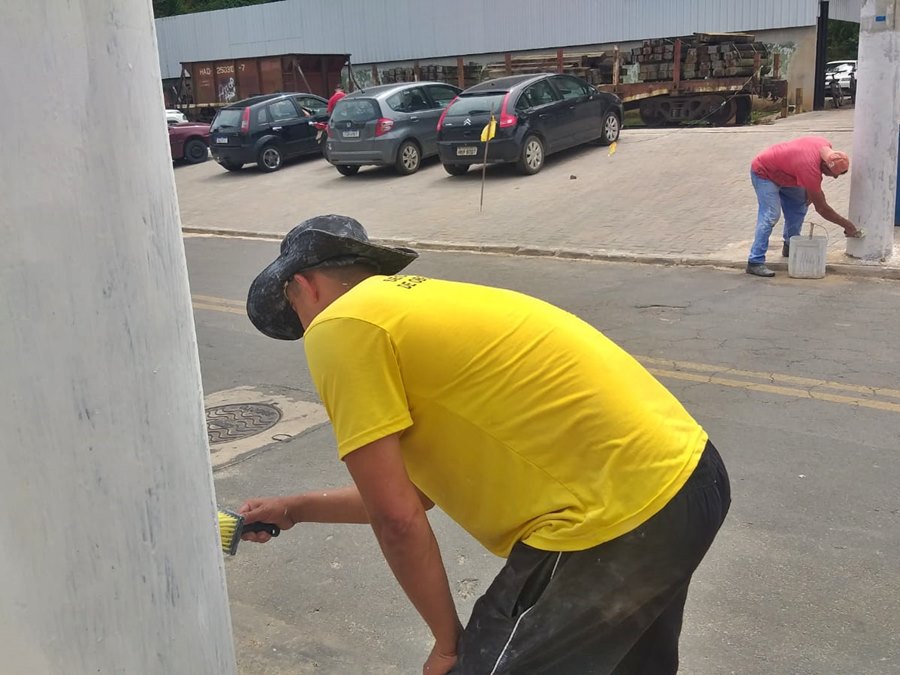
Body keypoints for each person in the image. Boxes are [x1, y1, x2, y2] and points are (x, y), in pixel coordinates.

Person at [241, 214, 731, 674]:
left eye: (295, 310)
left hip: (615, 518)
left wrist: (448, 643)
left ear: (305, 285)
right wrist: (295, 509)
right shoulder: (414, 306)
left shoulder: (339, 324)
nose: (305, 329)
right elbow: (417, 495)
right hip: (687, 478)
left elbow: (398, 519)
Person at [746, 136, 864, 278]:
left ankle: (791, 245)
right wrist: (847, 225)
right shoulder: (809, 168)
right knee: (771, 214)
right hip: (764, 172)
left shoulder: (825, 145)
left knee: (799, 206)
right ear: (825, 166)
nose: (835, 178)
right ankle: (755, 261)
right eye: (833, 174)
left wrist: (810, 189)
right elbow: (822, 209)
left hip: (788, 174)